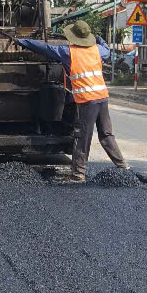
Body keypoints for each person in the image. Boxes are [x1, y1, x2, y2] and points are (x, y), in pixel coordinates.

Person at [17, 20, 128, 182]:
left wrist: (22, 41)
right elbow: (107, 49)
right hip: (102, 98)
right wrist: (99, 39)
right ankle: (123, 167)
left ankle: (78, 175)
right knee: (106, 134)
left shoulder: (68, 52)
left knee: (82, 136)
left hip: (87, 101)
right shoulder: (98, 50)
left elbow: (45, 49)